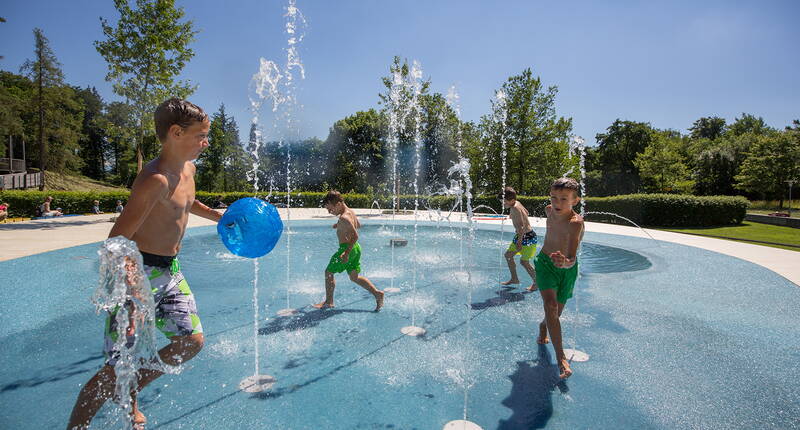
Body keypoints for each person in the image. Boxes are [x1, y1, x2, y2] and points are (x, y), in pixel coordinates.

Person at [67, 98, 222, 430]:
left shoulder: (189, 169)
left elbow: (188, 202)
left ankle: (131, 387)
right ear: (176, 133)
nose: (205, 142)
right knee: (117, 363)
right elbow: (117, 238)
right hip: (136, 274)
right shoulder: (154, 179)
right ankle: (79, 423)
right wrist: (131, 282)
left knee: (190, 341)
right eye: (201, 135)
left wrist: (216, 216)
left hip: (169, 271)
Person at [535, 177, 584, 380]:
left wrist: (566, 262)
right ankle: (561, 358)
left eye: (564, 199)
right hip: (545, 264)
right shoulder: (549, 210)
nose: (557, 203)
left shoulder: (575, 224)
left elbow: (572, 257)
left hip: (566, 270)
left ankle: (543, 326)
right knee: (551, 306)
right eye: (554, 197)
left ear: (575, 200)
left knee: (556, 313)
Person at [313, 190, 384, 312]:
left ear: (338, 204)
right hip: (356, 249)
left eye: (330, 209)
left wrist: (346, 253)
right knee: (354, 277)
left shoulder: (344, 217)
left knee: (328, 272)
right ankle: (377, 293)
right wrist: (339, 225)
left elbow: (355, 235)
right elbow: (358, 224)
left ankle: (329, 302)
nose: (330, 212)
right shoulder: (350, 213)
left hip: (347, 249)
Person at [498, 187, 537, 291]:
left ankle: (536, 282)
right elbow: (526, 212)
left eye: (504, 202)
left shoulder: (515, 208)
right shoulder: (517, 203)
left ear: (511, 200)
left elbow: (521, 228)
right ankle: (514, 279)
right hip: (522, 236)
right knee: (508, 256)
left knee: (524, 261)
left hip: (526, 237)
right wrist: (514, 216)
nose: (503, 204)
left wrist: (520, 242)